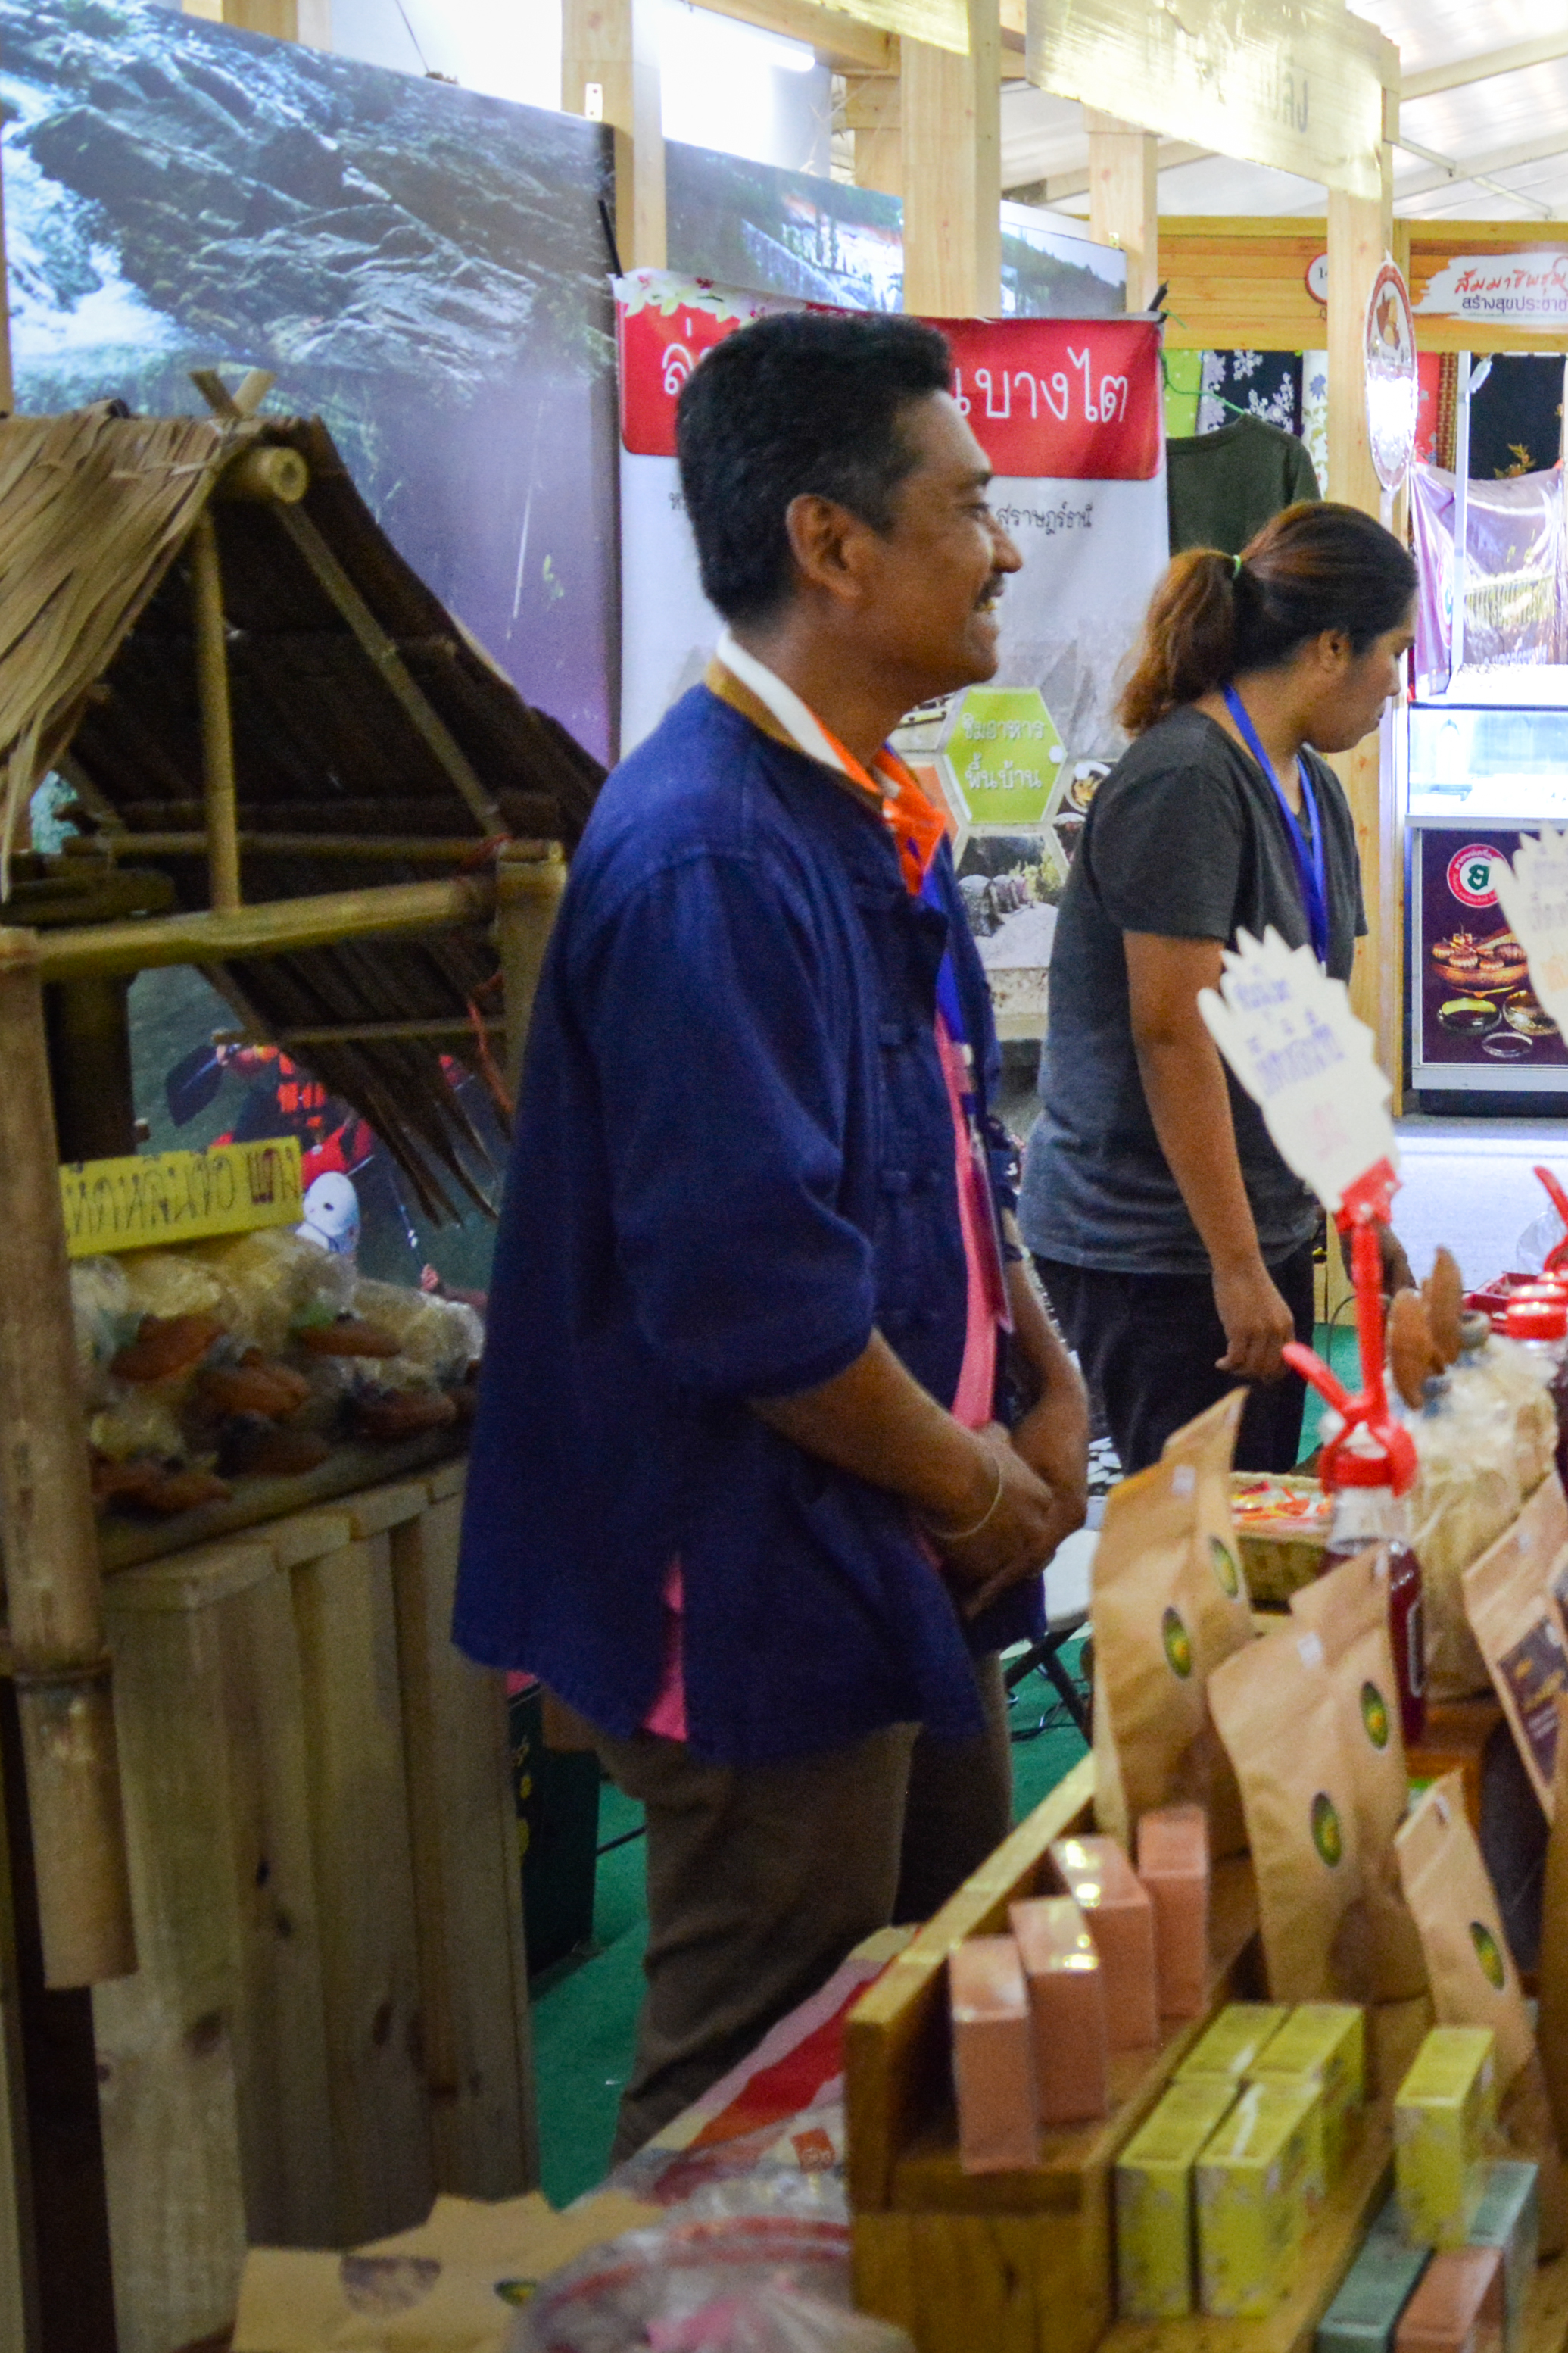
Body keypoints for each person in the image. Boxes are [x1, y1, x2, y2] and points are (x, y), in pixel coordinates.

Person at [457, 313, 1089, 2159]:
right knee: (760, 2067)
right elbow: (750, 1300)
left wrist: (1039, 1369)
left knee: (948, 1992)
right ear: (833, 544)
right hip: (756, 1566)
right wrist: (976, 1490)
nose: (1004, 549)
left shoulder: (850, 810)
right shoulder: (710, 857)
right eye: (968, 507)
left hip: (904, 1530)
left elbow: (952, 1149)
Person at [1024, 506, 1415, 1476]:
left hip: (1254, 1218)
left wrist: (1359, 1202)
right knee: (1194, 1557)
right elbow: (1173, 1037)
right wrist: (1232, 1266)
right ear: (1331, 647)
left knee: (1259, 1522)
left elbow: (1307, 1030)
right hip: (1157, 1244)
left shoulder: (1314, 790)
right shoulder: (1187, 780)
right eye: (1394, 654)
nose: (1397, 687)